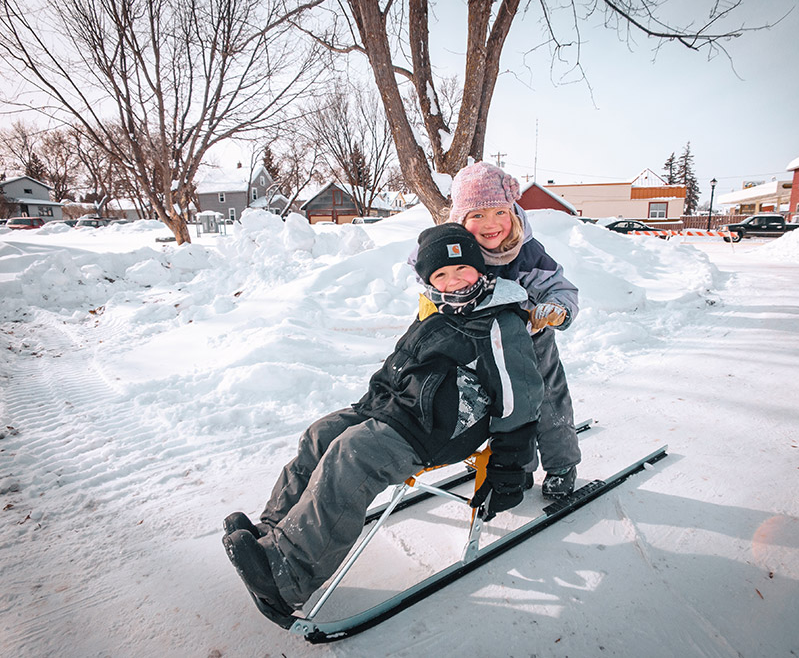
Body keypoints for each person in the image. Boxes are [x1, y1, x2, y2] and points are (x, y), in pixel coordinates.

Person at [222, 222, 544, 620]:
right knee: (321, 434)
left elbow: (521, 399)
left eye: (463, 270)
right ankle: (273, 535)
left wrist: (509, 468)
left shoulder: (500, 321)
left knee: (352, 454)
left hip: (438, 429)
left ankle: (291, 575)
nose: (454, 281)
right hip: (399, 409)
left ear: (481, 269)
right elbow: (403, 367)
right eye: (441, 274)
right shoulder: (438, 312)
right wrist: (367, 408)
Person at [443, 161, 582, 500]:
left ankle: (562, 464)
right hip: (480, 345)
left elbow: (558, 287)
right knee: (495, 405)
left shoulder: (527, 252)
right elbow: (426, 267)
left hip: (531, 343)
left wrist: (555, 307)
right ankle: (513, 464)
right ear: (460, 219)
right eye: (477, 216)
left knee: (547, 403)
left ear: (513, 212)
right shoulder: (457, 251)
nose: (490, 224)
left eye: (499, 213)